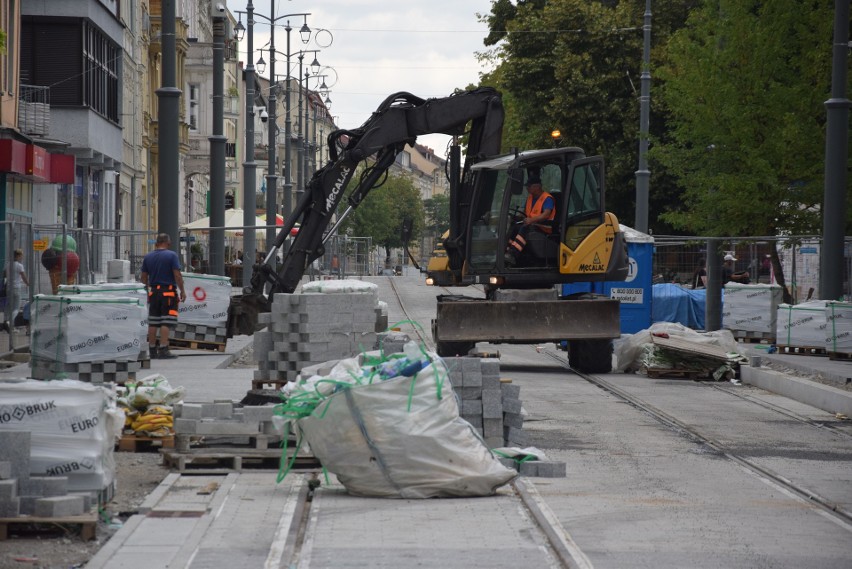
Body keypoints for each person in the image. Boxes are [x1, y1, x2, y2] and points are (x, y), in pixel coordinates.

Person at [140, 233, 187, 359]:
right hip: (168, 293)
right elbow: (177, 275)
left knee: (153, 322)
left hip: (154, 293)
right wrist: (182, 290)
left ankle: (152, 349)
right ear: (167, 242)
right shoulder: (171, 255)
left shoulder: (148, 257)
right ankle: (163, 349)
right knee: (166, 321)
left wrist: (146, 290)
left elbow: (143, 277)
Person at [505, 176, 555, 266]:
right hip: (532, 225)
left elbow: (546, 214)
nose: (527, 188)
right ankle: (507, 251)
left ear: (537, 187)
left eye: (529, 186)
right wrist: (516, 217)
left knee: (524, 228)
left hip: (544, 227)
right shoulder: (530, 198)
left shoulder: (547, 198)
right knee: (514, 227)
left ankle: (513, 254)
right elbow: (525, 213)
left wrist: (531, 220)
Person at [9, 249, 29, 319]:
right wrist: (28, 283)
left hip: (8, 288)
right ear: (17, 256)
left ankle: (8, 323)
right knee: (16, 308)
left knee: (9, 306)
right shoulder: (19, 266)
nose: (22, 257)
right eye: (21, 256)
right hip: (16, 288)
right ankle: (10, 322)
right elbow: (23, 276)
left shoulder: (8, 264)